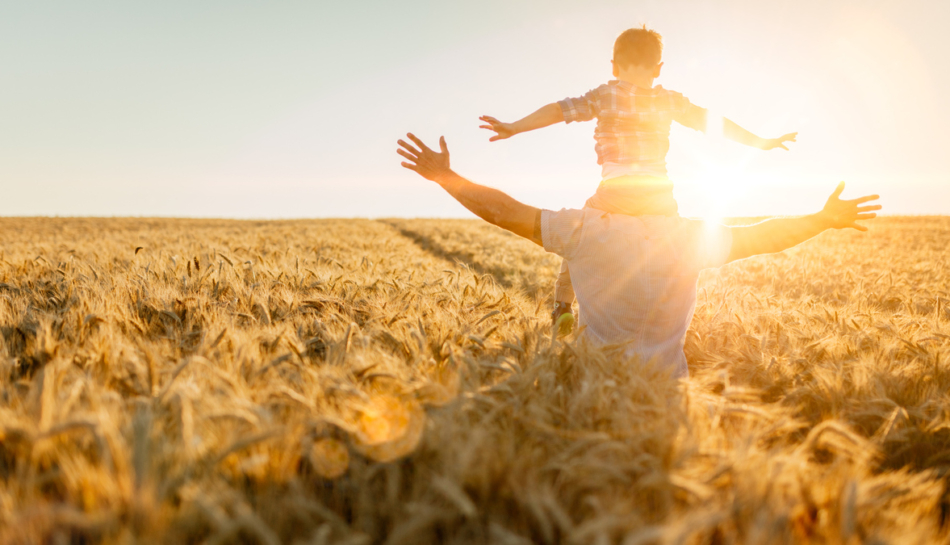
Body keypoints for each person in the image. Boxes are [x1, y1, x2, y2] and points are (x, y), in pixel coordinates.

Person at [396, 133, 880, 378]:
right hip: (671, 395)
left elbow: (504, 211)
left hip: (590, 393)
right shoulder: (687, 237)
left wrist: (446, 178)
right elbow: (766, 235)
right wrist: (821, 219)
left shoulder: (584, 229)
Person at [477, 26, 798, 329]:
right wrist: (760, 142)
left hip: (614, 195)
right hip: (660, 199)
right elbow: (714, 122)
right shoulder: (669, 100)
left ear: (614, 66)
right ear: (658, 68)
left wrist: (515, 126)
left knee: (574, 240)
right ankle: (664, 317)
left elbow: (559, 110)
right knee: (675, 254)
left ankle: (563, 305)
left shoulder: (605, 95)